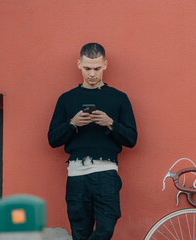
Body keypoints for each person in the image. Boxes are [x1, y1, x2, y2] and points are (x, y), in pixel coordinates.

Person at [48, 43, 137, 240]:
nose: (92, 74)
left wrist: (110, 123)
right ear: (79, 64)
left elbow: (132, 139)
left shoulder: (119, 98)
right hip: (76, 174)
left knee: (106, 229)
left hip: (106, 173)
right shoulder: (66, 99)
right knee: (80, 233)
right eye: (87, 68)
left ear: (105, 65)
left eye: (96, 68)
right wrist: (72, 123)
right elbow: (52, 139)